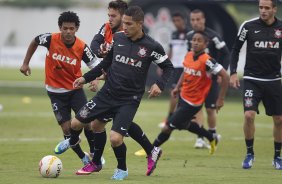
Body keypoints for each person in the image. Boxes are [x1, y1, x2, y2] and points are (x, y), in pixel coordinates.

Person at [56, 6, 174, 180]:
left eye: (129, 24)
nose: (124, 27)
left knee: (115, 138)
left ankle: (122, 169)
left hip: (129, 99)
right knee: (77, 124)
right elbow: (105, 64)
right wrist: (85, 78)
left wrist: (160, 84)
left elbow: (168, 67)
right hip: (107, 94)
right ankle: (80, 146)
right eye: (123, 23)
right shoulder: (118, 38)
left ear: (140, 24)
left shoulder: (151, 46)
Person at [19, 11, 104, 166]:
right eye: (65, 28)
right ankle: (83, 158)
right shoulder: (50, 39)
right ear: (60, 27)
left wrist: (95, 80)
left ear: (76, 28)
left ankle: (93, 151)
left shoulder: (82, 47)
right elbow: (34, 41)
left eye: (71, 28)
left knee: (86, 121)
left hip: (75, 90)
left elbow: (97, 67)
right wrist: (25, 63)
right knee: (67, 130)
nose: (68, 32)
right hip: (55, 92)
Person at [152, 31, 229, 155]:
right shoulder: (188, 55)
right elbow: (185, 71)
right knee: (185, 125)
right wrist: (177, 87)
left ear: (206, 44)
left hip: (194, 102)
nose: (195, 42)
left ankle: (150, 149)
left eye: (199, 40)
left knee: (168, 127)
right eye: (194, 40)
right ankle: (211, 137)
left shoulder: (207, 61)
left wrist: (221, 99)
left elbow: (225, 76)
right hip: (183, 96)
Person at [229, 0, 282, 170]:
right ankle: (250, 153)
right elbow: (235, 49)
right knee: (249, 116)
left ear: (274, 9)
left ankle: (277, 156)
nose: (263, 11)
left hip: (274, 80)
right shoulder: (248, 26)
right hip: (252, 79)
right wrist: (233, 73)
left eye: (267, 8)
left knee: (279, 120)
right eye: (261, 7)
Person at [135, 12, 189, 157]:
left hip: (186, 69)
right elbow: (171, 51)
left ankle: (206, 135)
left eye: (178, 20)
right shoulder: (174, 35)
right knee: (176, 95)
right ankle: (170, 119)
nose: (177, 23)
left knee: (191, 103)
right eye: (175, 20)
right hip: (176, 69)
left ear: (183, 21)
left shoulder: (190, 35)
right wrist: (163, 64)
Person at [186, 9, 230, 148]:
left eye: (198, 19)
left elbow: (226, 54)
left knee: (210, 109)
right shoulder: (189, 36)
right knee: (197, 108)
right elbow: (191, 57)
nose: (195, 22)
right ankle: (200, 138)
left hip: (211, 79)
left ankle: (213, 134)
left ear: (204, 20)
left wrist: (220, 74)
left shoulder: (213, 36)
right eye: (193, 20)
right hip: (197, 80)